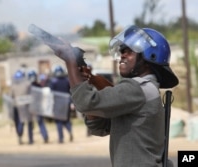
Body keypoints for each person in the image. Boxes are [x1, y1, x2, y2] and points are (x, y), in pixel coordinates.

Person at [46, 26, 178, 166]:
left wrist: (70, 61)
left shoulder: (138, 89)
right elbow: (100, 127)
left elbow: (85, 103)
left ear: (148, 58)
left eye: (129, 51)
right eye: (122, 51)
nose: (122, 55)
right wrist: (89, 80)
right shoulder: (143, 89)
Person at [49, 66, 73, 143]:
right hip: (67, 103)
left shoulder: (53, 81)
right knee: (66, 120)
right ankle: (69, 130)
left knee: (59, 121)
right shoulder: (67, 81)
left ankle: (61, 138)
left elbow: (51, 94)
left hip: (57, 103)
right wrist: (72, 103)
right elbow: (71, 92)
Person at [11, 70, 34, 145]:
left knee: (21, 122)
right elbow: (32, 94)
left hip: (18, 105)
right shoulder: (28, 84)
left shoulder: (13, 86)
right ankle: (30, 140)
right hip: (27, 105)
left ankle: (20, 136)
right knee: (30, 122)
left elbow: (11, 96)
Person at [27, 70, 49, 143]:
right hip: (38, 107)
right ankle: (45, 136)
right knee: (41, 122)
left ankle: (30, 140)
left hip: (31, 107)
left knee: (30, 123)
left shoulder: (28, 87)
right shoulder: (39, 85)